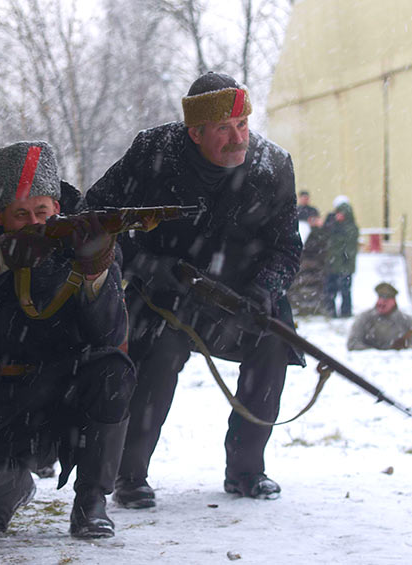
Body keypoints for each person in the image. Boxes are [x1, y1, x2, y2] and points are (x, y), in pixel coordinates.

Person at [85, 72, 303, 507]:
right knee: (156, 353)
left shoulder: (273, 165)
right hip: (161, 295)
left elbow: (286, 248)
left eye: (242, 124)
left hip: (240, 299)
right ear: (195, 131)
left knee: (273, 348)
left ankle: (246, 470)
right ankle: (130, 475)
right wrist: (147, 264)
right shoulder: (152, 153)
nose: (238, 137)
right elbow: (94, 216)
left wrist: (265, 290)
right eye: (224, 128)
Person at [0, 141, 135, 539]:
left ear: (57, 207)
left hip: (70, 393)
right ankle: (8, 485)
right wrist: (3, 259)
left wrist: (93, 271)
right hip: (6, 392)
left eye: (42, 211)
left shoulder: (89, 238)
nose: (35, 221)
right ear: (1, 217)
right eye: (21, 214)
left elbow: (110, 335)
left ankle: (91, 501)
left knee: (113, 372)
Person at [347, 283, 412, 350]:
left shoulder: (405, 321)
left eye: (386, 300)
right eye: (380, 298)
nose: (381, 303)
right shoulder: (365, 318)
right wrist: (373, 352)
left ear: (394, 301)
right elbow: (352, 343)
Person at [323, 195, 359, 318]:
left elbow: (347, 248)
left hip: (344, 265)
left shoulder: (350, 228)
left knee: (345, 291)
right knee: (331, 290)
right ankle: (331, 311)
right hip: (333, 264)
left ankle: (345, 312)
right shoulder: (335, 225)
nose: (338, 216)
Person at [288, 211, 327, 316]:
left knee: (311, 290)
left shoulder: (317, 232)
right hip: (308, 266)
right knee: (303, 289)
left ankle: (308, 308)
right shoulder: (307, 231)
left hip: (313, 266)